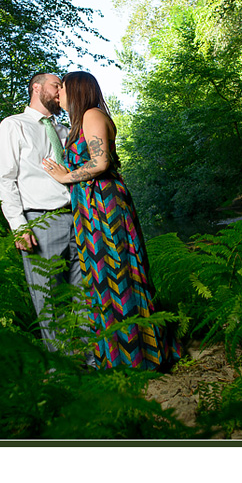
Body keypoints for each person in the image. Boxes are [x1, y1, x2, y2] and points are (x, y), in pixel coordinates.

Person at [42, 71, 181, 370]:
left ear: (77, 90)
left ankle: (141, 357)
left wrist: (65, 176)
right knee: (100, 278)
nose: (59, 94)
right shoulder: (79, 121)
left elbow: (101, 161)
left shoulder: (92, 114)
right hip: (89, 207)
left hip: (104, 204)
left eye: (63, 88)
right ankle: (116, 357)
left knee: (118, 272)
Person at [0, 72, 91, 363]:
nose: (61, 90)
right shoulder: (14, 126)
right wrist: (18, 226)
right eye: (56, 85)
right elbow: (5, 179)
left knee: (84, 294)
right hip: (40, 222)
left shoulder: (65, 130)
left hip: (77, 218)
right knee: (48, 299)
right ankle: (62, 368)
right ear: (36, 88)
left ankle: (91, 364)